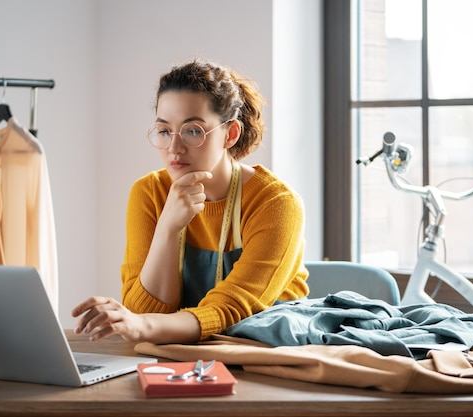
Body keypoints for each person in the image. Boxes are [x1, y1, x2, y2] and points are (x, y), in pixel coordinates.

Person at [72, 58, 309, 344]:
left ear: (230, 134)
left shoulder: (276, 203)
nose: (174, 147)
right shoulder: (150, 192)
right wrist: (168, 228)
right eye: (164, 131)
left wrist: (141, 325)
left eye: (193, 130)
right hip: (182, 353)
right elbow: (141, 314)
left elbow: (230, 310)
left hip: (267, 357)